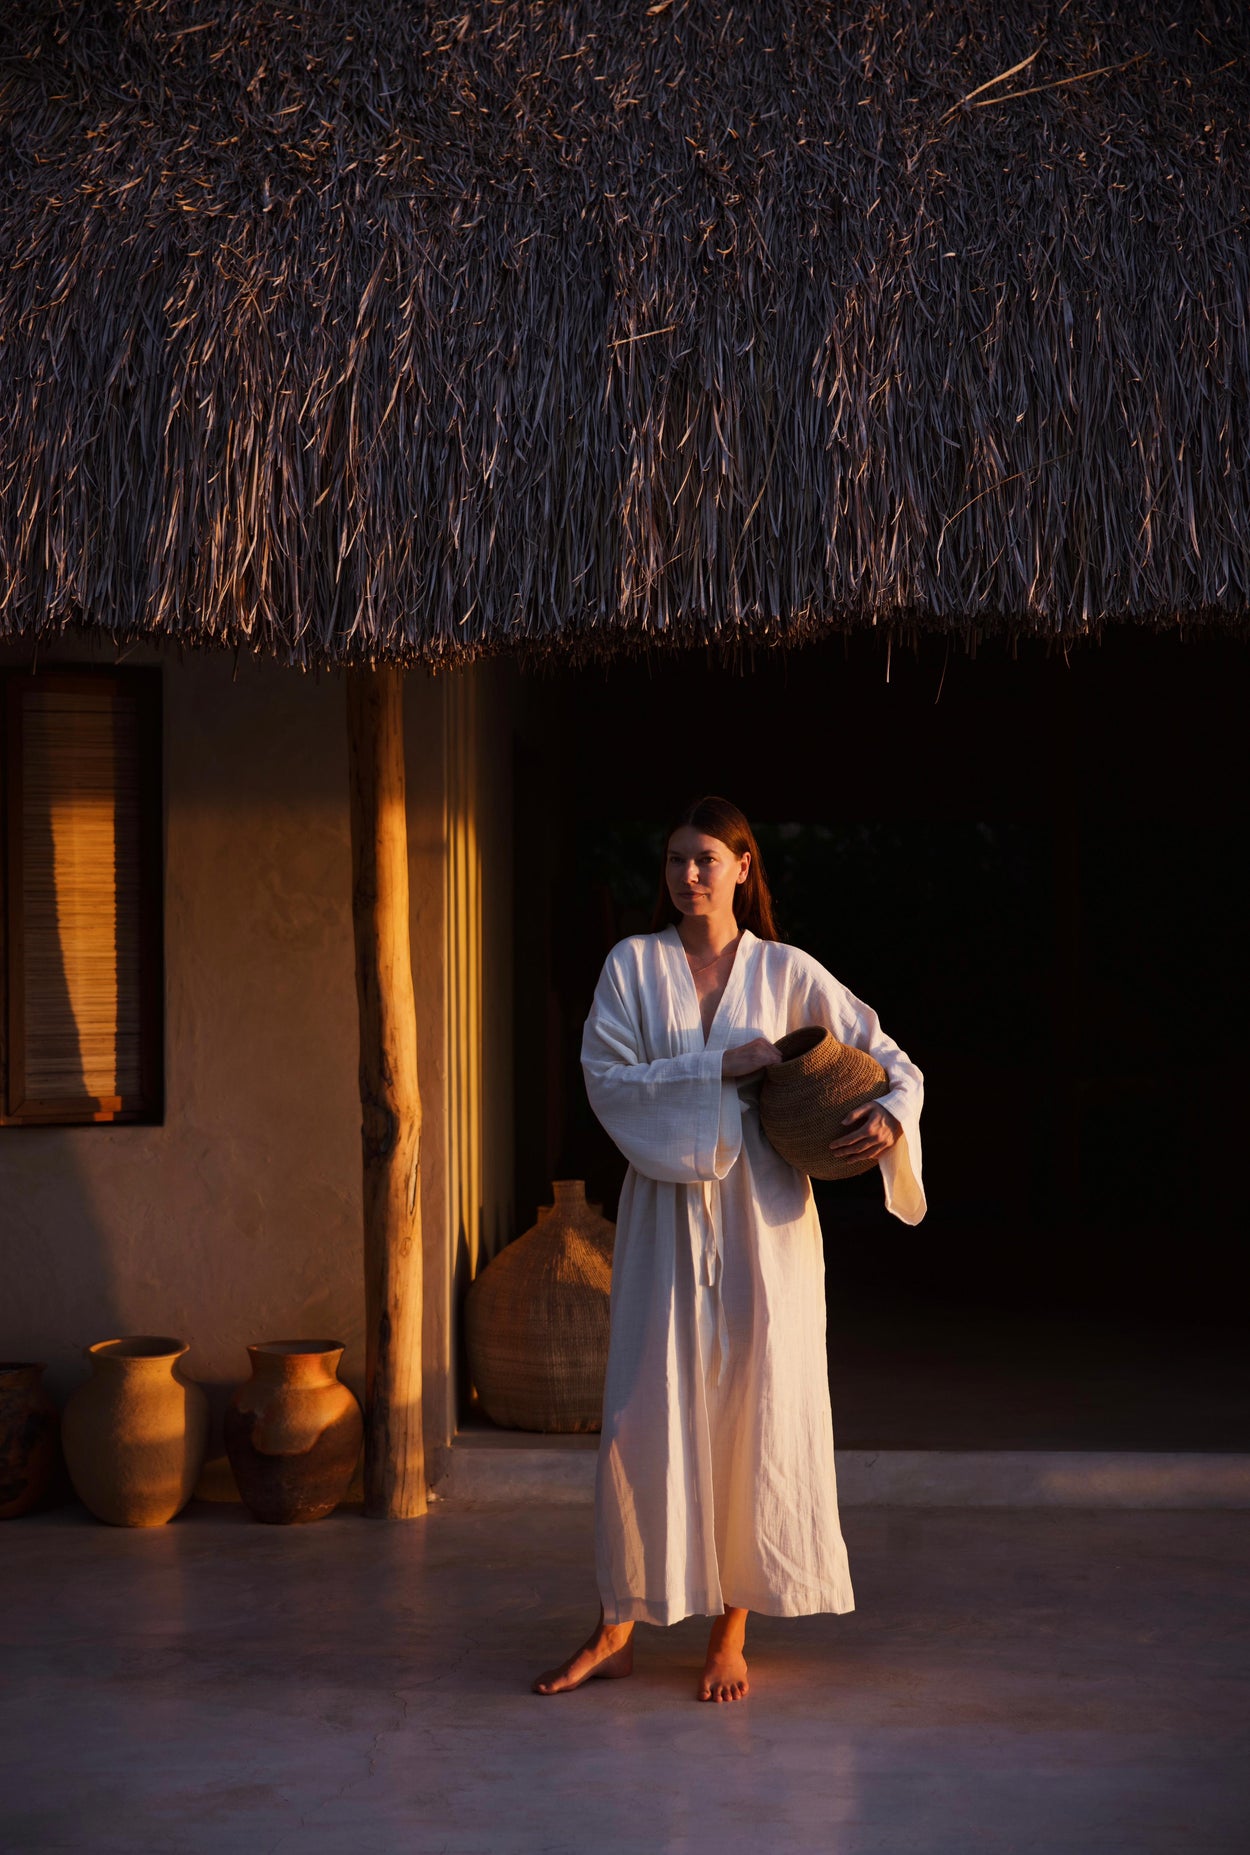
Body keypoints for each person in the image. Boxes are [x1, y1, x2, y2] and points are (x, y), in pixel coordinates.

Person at [532, 796, 925, 1703]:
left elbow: (894, 1059)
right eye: (674, 859)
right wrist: (718, 1066)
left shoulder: (787, 971)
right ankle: (618, 1625)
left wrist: (888, 1114)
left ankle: (730, 1631)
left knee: (755, 1404)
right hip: (665, 1216)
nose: (689, 875)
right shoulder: (631, 968)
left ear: (745, 866)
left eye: (707, 858)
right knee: (640, 1413)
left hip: (764, 1220)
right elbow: (605, 1080)